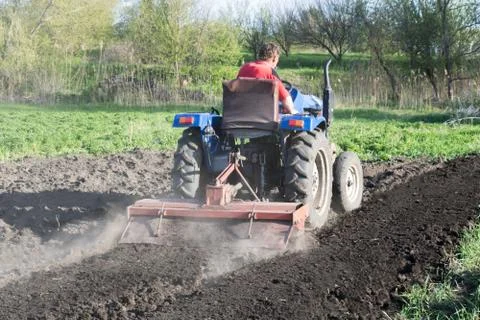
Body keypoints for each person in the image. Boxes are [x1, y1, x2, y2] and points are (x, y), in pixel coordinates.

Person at [237, 43, 299, 114]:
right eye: (277, 59)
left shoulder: (244, 68)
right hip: (263, 118)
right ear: (275, 58)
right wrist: (292, 110)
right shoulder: (269, 72)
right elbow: (286, 99)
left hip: (241, 114)